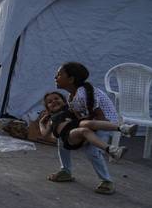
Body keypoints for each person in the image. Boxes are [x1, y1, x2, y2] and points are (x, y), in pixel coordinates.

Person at [48, 62, 127, 194]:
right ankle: (65, 171)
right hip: (90, 121)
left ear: (71, 79)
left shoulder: (83, 94)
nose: (55, 77)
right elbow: (79, 117)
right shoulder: (71, 97)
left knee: (92, 150)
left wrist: (87, 136)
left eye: (59, 74)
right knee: (62, 140)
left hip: (105, 124)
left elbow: (100, 117)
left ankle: (107, 181)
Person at [39, 91, 136, 161]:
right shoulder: (52, 119)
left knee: (87, 123)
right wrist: (41, 123)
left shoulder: (70, 110)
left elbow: (81, 118)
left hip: (77, 125)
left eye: (56, 98)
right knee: (84, 130)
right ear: (48, 109)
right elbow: (44, 134)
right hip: (69, 137)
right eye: (50, 102)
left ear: (64, 101)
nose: (54, 101)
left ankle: (123, 129)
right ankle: (111, 150)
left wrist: (79, 111)